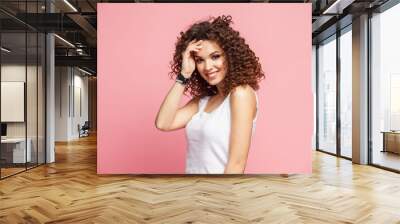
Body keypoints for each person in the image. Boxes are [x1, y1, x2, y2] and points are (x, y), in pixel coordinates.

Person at [155, 15, 264, 174]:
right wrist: (184, 74)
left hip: (218, 194)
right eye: (200, 60)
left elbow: (237, 164)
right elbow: (163, 123)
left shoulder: (241, 94)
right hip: (192, 192)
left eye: (215, 56)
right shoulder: (202, 101)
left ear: (230, 55)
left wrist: (217, 197)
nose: (208, 66)